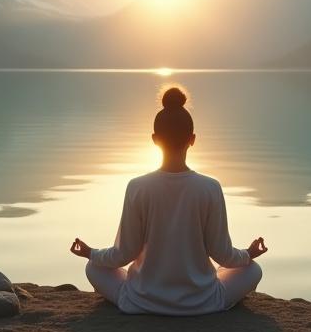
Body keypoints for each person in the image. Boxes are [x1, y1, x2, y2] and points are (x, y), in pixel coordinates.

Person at [69, 86, 267, 315]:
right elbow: (222, 254)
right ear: (192, 140)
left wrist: (90, 253)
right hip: (202, 302)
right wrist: (248, 254)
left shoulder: (138, 187)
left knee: (94, 268)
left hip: (142, 300)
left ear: (154, 139)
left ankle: (142, 292)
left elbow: (124, 254)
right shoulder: (210, 188)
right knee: (253, 270)